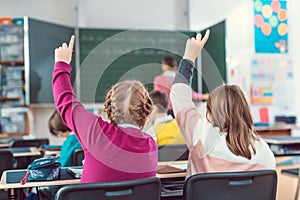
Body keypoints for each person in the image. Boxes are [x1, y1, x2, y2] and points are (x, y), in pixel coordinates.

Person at [170, 30, 275, 179]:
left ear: (210, 114)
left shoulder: (199, 135)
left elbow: (178, 93)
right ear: (246, 112)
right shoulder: (264, 153)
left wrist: (189, 57)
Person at [52, 35, 157, 183]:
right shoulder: (151, 144)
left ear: (109, 110)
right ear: (145, 113)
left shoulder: (97, 133)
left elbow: (65, 102)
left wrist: (61, 64)